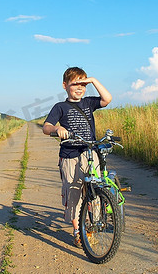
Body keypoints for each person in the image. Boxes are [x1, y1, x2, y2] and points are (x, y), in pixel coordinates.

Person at [42, 67, 112, 248]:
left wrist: (94, 80)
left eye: (83, 84)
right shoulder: (60, 107)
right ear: (65, 86)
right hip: (70, 155)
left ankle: (94, 224)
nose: (79, 88)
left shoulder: (89, 103)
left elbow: (107, 99)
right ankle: (77, 231)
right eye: (75, 84)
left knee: (95, 189)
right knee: (73, 192)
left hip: (90, 152)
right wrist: (57, 129)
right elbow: (46, 127)